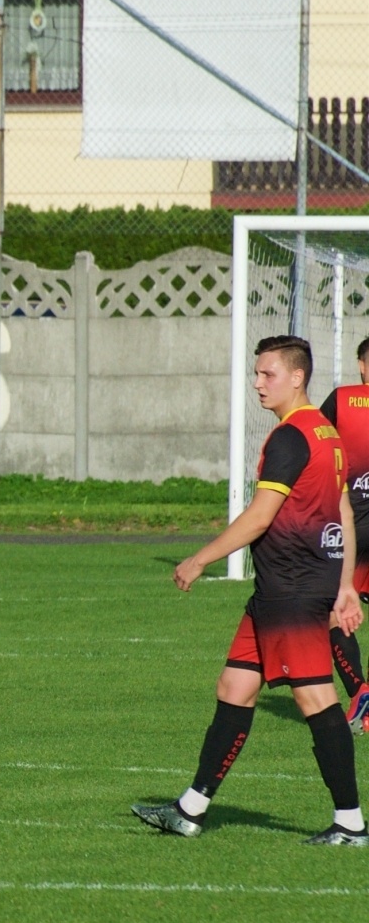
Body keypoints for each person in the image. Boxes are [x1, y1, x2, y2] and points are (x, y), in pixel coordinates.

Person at [132, 335, 367, 845]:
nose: (258, 384)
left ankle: (350, 822)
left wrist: (199, 559)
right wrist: (346, 584)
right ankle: (189, 810)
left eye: (268, 375)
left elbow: (261, 516)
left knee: (315, 699)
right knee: (234, 688)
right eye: (256, 374)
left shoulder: (290, 438)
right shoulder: (326, 432)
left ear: (297, 377)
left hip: (293, 590)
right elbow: (344, 512)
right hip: (285, 589)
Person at [318, 336, 369, 731]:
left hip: (350, 523)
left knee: (337, 611)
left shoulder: (343, 399)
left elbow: (313, 446)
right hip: (351, 522)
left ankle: (359, 691)